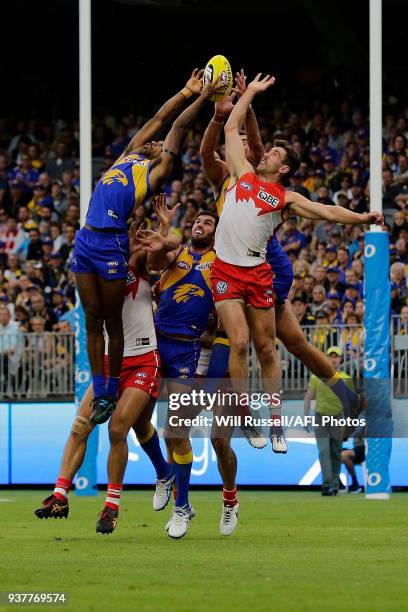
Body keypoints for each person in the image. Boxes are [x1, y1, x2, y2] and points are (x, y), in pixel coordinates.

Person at [201, 71, 382, 454]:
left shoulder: (282, 195)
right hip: (227, 271)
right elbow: (232, 132)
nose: (264, 153)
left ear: (282, 168)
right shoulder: (239, 173)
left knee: (272, 348)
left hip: (261, 269)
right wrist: (247, 93)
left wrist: (363, 218)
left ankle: (279, 421)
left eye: (274, 154)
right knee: (252, 342)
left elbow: (327, 211)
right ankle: (248, 416)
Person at [72, 71, 220, 426]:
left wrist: (202, 100)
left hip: (110, 243)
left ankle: (108, 392)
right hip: (86, 238)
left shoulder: (154, 174)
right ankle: (102, 389)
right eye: (151, 143)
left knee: (110, 320)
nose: (153, 142)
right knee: (92, 320)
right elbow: (158, 119)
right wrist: (186, 89)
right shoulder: (125, 156)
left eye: (157, 145)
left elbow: (177, 128)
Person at [34, 219, 178, 533]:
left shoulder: (137, 258)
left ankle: (112, 505)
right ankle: (60, 494)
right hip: (111, 363)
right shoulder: (92, 272)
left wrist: (164, 232)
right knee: (80, 424)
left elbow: (170, 254)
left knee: (118, 428)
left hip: (143, 360)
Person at [141, 202, 218, 539]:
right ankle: (163, 474)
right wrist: (163, 232)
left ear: (217, 231)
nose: (200, 224)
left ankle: (181, 507)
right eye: (198, 220)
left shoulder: (223, 262)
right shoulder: (178, 253)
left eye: (208, 222)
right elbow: (154, 263)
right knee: (137, 420)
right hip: (156, 344)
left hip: (187, 350)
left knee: (176, 430)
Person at [304, 346, 355, 495]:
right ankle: (327, 484)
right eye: (330, 356)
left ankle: (334, 485)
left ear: (340, 359)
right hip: (321, 417)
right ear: (326, 358)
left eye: (336, 356)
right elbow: (308, 397)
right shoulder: (316, 376)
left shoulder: (345, 378)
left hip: (338, 418)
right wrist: (306, 417)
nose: (333, 359)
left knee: (336, 452)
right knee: (324, 451)